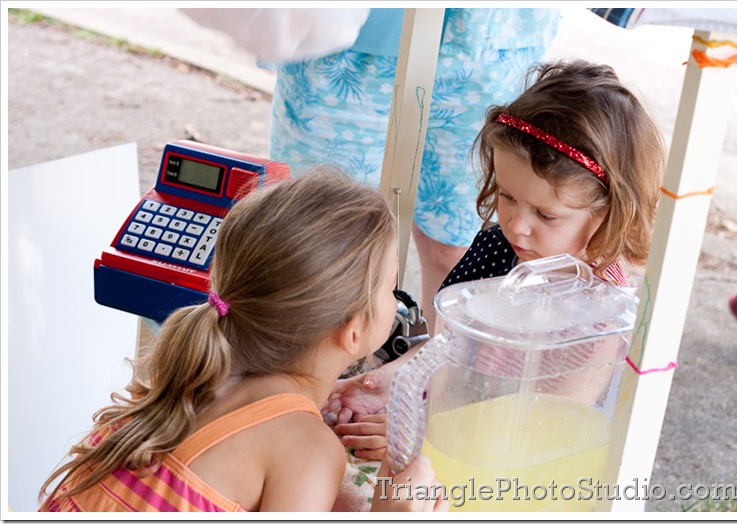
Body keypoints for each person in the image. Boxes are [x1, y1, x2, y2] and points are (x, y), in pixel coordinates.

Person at [38, 168, 446, 512]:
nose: (397, 301)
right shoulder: (307, 451)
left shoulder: (188, 375)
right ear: (353, 330)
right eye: (392, 288)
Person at [325, 58, 667, 430]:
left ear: (610, 212)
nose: (517, 226)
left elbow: (542, 425)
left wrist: (424, 427)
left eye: (545, 215)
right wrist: (390, 382)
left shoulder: (603, 314)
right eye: (507, 196)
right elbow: (450, 346)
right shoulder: (499, 247)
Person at [181, 7, 561, 332]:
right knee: (323, 243)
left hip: (492, 40)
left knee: (455, 246)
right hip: (349, 47)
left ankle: (423, 380)